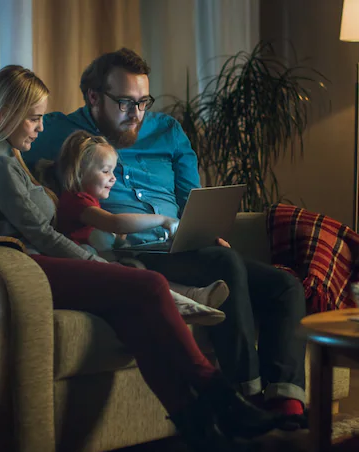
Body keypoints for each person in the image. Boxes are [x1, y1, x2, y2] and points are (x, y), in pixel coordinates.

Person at [0, 64, 279, 452]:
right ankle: (221, 398)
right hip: (29, 268)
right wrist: (94, 263)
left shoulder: (7, 155)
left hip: (41, 261)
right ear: (5, 113)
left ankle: (205, 442)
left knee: (134, 317)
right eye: (34, 117)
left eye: (41, 117)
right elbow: (41, 233)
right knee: (149, 283)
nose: (40, 128)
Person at [22, 49, 309, 429]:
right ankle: (245, 396)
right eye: (125, 103)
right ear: (94, 97)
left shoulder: (168, 132)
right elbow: (1, 149)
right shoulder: (56, 132)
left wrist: (208, 230)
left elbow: (195, 200)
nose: (136, 114)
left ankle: (286, 405)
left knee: (285, 285)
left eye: (143, 102)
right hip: (133, 254)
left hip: (183, 247)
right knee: (222, 265)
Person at [51, 129, 229, 326]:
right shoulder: (75, 201)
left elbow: (109, 233)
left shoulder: (88, 201)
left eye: (113, 171)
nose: (113, 178)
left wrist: (119, 238)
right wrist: (162, 220)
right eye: (105, 171)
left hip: (98, 260)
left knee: (138, 269)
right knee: (136, 275)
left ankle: (194, 296)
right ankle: (187, 303)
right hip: (84, 268)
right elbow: (114, 222)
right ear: (79, 171)